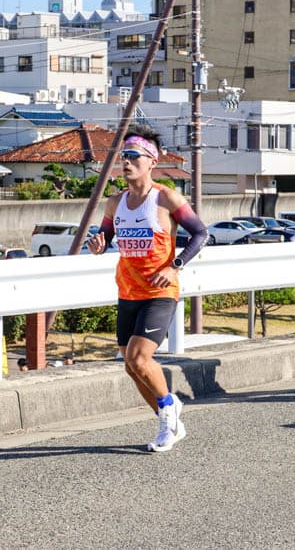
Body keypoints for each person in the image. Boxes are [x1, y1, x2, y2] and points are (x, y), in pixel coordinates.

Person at [87, 125, 209, 451]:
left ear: (151, 161)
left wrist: (175, 266)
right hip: (127, 291)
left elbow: (200, 234)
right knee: (130, 365)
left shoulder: (166, 198)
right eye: (123, 157)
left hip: (160, 292)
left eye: (133, 157)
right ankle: (168, 416)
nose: (126, 162)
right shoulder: (115, 203)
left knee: (141, 359)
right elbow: (104, 238)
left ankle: (169, 408)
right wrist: (98, 245)